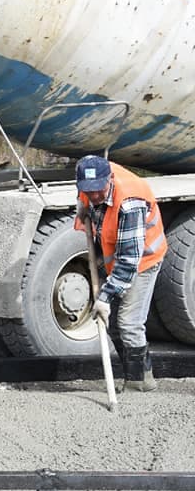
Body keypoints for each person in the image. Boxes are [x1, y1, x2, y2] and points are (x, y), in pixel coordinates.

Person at [75, 155, 166, 391]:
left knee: (129, 323)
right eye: (88, 190)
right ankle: (137, 375)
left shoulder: (130, 202)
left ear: (110, 179)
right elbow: (86, 192)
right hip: (117, 256)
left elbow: (129, 260)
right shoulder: (89, 176)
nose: (94, 195)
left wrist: (105, 297)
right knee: (113, 324)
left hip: (142, 259)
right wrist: (82, 206)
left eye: (98, 189)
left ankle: (139, 383)